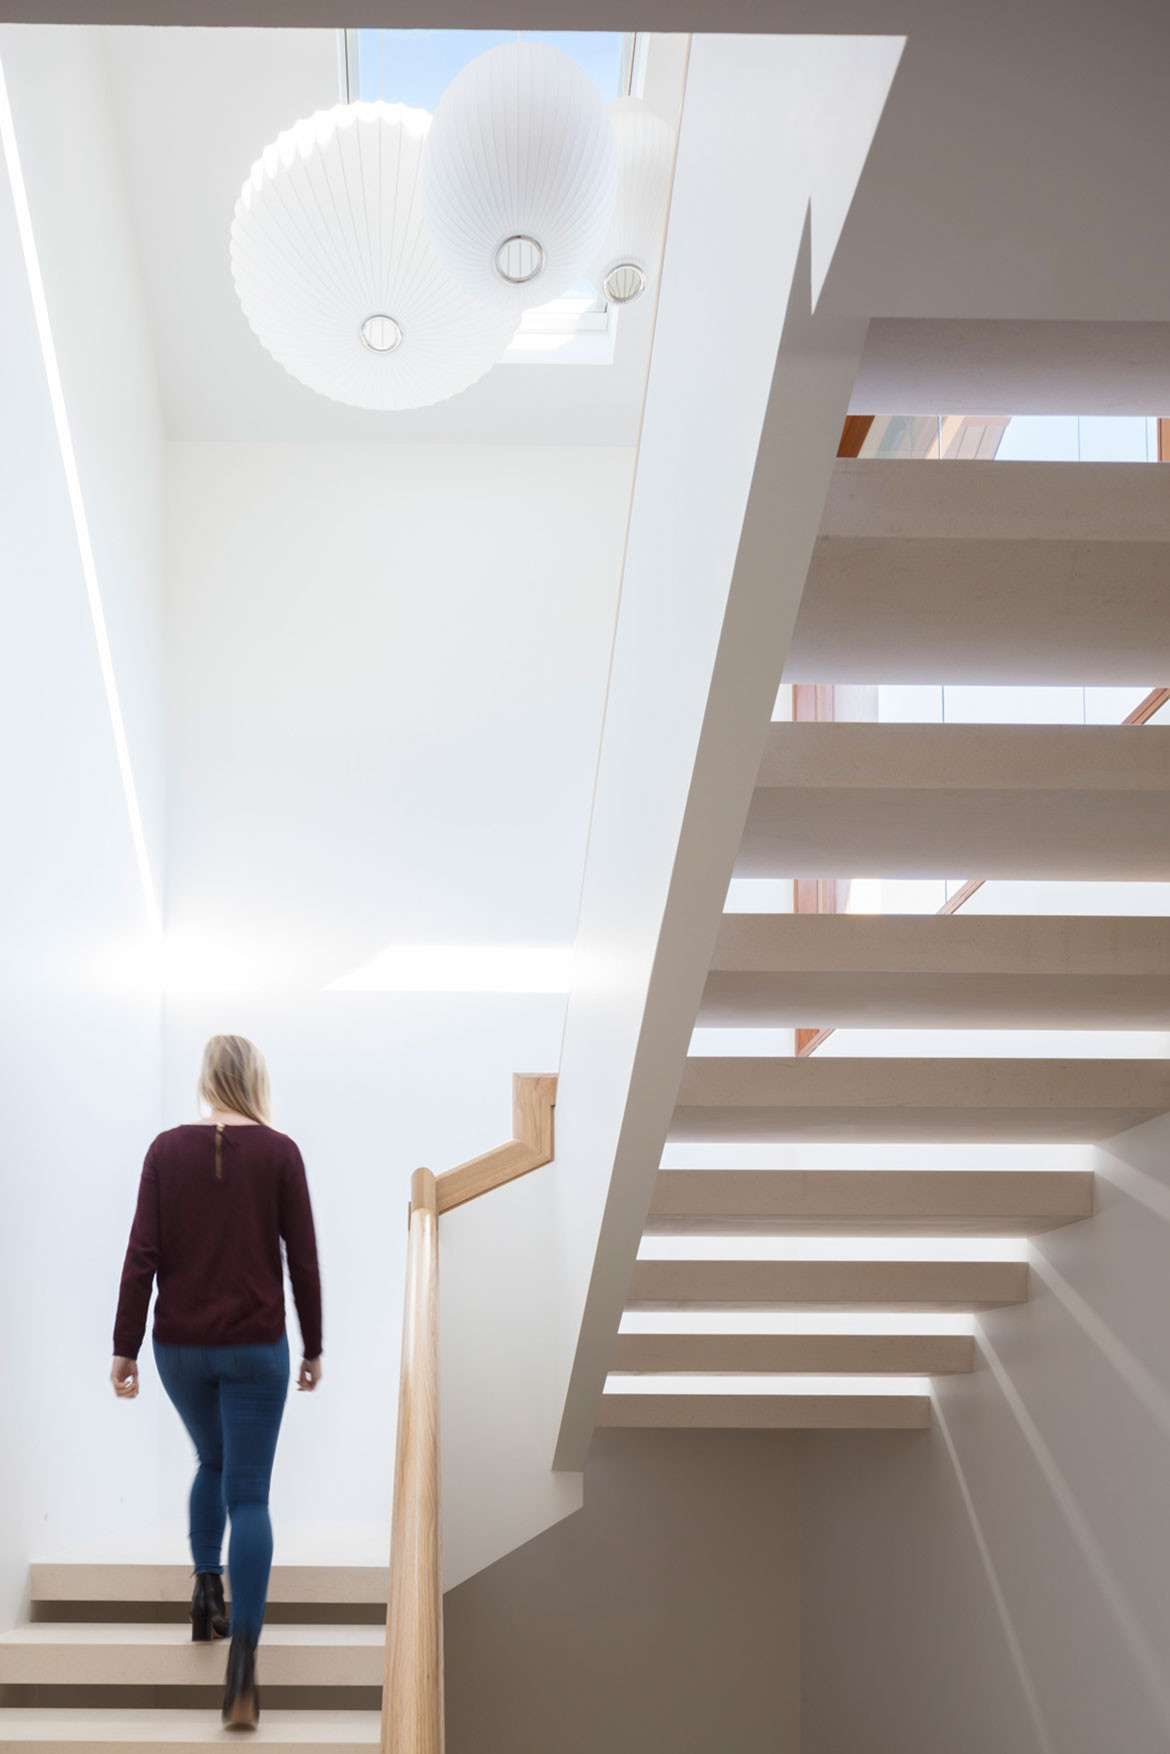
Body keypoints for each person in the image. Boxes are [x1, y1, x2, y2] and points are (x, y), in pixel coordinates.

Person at [110, 1034, 323, 1731]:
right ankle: (243, 1671)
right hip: (257, 1348)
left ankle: (207, 1592)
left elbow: (142, 1252)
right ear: (256, 1078)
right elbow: (304, 1260)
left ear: (207, 1078)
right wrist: (314, 1345)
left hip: (179, 1349)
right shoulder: (280, 1151)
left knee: (213, 1459)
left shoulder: (164, 1150)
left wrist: (125, 1348)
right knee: (250, 1496)